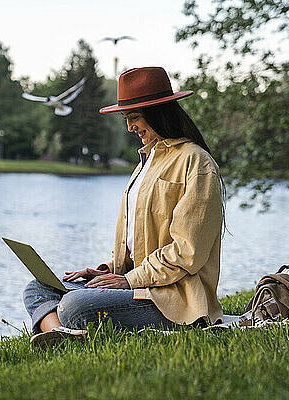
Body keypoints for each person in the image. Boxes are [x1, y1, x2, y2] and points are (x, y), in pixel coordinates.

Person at [23, 66, 226, 346]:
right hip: (138, 285)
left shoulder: (196, 162)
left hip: (172, 299)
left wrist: (128, 281)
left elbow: (187, 253)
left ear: (158, 113)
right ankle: (63, 335)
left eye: (134, 118)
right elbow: (139, 243)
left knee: (74, 305)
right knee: (38, 287)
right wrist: (108, 271)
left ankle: (63, 329)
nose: (129, 127)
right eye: (126, 118)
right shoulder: (148, 161)